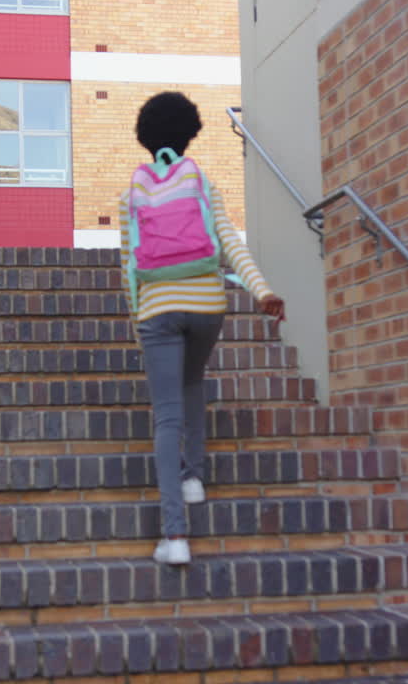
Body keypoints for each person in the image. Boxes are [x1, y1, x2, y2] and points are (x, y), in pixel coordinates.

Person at [117, 91, 286, 565]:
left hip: (157, 308)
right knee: (193, 379)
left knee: (166, 414)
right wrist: (261, 291)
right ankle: (194, 479)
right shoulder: (200, 182)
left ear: (145, 139)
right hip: (207, 306)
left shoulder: (133, 193)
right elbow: (229, 241)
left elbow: (128, 267)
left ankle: (175, 537)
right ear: (189, 134)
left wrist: (140, 320)